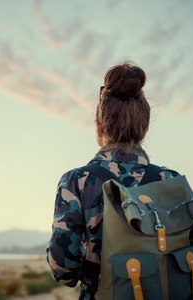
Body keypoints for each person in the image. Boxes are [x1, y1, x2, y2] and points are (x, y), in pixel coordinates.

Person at [46, 62, 181, 299]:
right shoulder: (170, 180)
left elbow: (63, 270)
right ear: (145, 128)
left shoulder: (77, 181)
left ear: (99, 127)